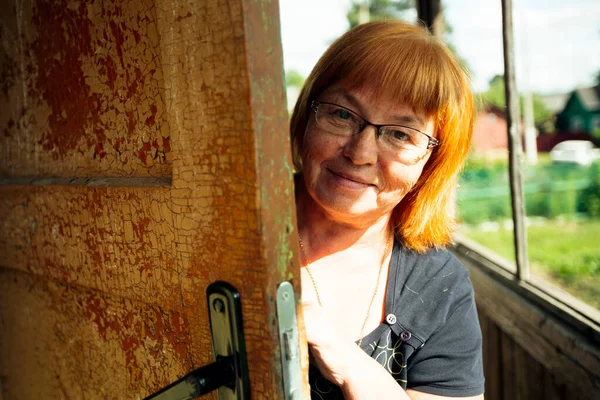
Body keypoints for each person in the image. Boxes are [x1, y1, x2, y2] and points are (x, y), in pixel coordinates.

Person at [290, 21, 485, 399]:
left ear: (431, 161)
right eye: (343, 115)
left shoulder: (441, 286)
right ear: (308, 115)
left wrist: (341, 355)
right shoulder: (233, 222)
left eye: (400, 134)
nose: (359, 154)